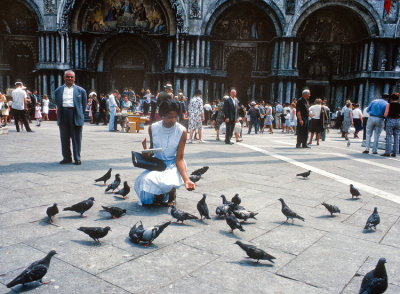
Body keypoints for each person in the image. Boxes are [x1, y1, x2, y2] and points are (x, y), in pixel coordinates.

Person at [134, 99, 195, 206]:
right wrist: (147, 153)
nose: (173, 120)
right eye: (170, 117)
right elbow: (152, 148)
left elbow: (179, 158)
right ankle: (161, 194)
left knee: (167, 181)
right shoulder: (153, 128)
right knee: (144, 182)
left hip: (173, 164)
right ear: (162, 115)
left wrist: (187, 180)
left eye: (176, 117)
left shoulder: (182, 131)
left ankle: (172, 192)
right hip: (158, 164)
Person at [55, 70, 87, 165]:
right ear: (64, 78)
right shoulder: (58, 90)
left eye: (71, 77)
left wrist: (78, 114)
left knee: (76, 138)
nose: (69, 78)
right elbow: (58, 103)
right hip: (63, 114)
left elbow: (83, 105)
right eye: (67, 77)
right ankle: (66, 157)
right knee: (64, 138)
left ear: (74, 78)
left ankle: (77, 158)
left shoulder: (81, 91)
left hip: (75, 114)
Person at [382, 92, 400, 157]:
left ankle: (387, 152)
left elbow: (385, 114)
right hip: (398, 121)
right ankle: (395, 152)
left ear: (391, 98)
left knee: (389, 136)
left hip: (390, 120)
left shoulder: (389, 105)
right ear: (398, 98)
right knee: (397, 136)